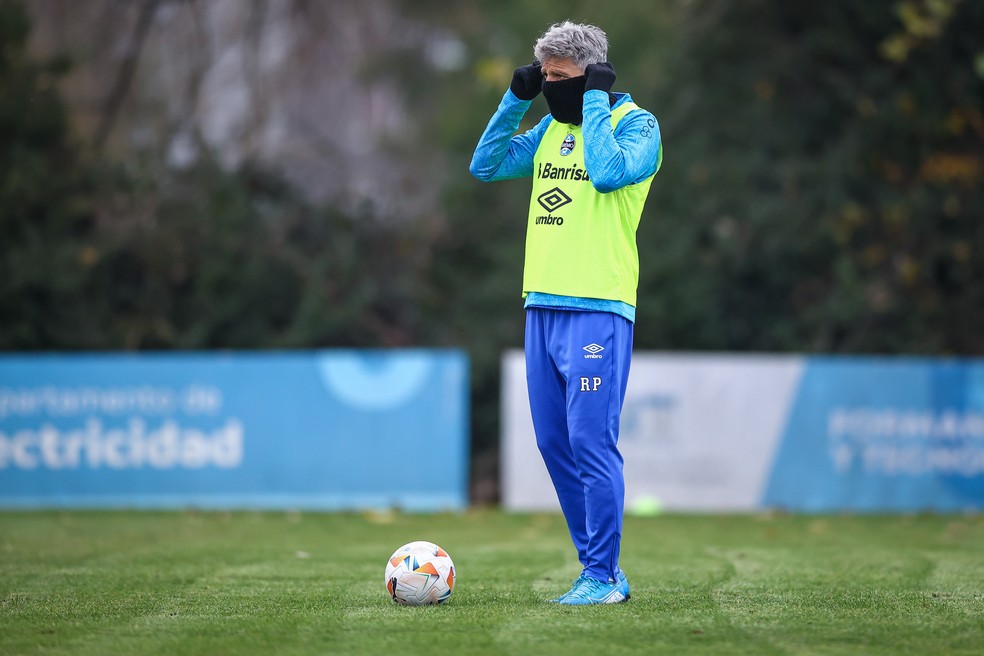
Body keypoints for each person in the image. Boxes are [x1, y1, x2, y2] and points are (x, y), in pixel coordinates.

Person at [469, 21, 662, 605]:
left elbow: (606, 174)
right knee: (555, 444)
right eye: (544, 77)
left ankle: (602, 575)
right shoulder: (551, 126)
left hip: (599, 307)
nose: (551, 88)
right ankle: (597, 571)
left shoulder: (640, 126)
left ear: (595, 77)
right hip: (542, 306)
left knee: (589, 441)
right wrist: (515, 98)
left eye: (561, 79)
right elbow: (486, 165)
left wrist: (597, 101)